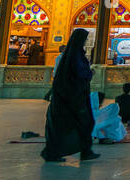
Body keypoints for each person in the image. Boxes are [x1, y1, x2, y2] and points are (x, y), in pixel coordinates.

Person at [40, 28, 100, 162]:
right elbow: (79, 73)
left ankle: (82, 151)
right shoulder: (74, 56)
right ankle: (78, 152)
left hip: (74, 96)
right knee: (79, 123)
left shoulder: (73, 55)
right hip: (72, 99)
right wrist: (90, 73)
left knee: (80, 123)